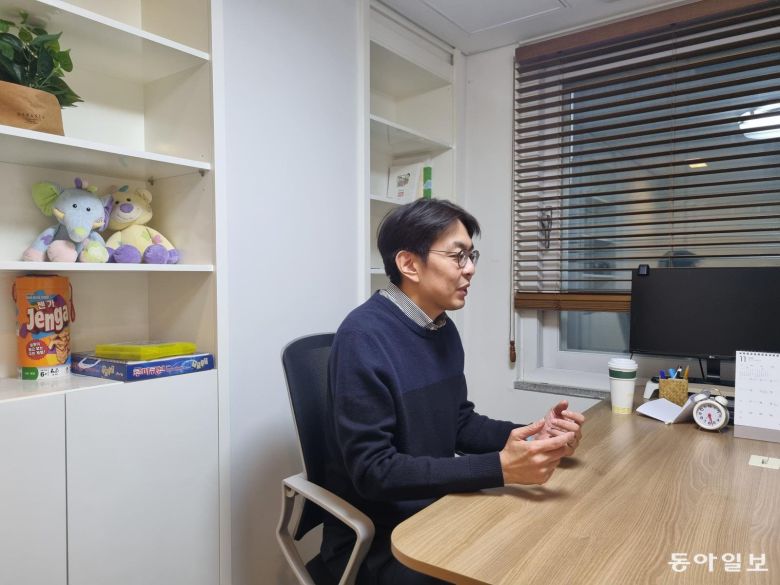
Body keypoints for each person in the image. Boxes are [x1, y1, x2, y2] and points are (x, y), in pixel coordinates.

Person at [322, 199, 585, 584]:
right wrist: (499, 468)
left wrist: (534, 436)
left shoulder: (440, 327)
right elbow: (375, 471)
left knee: (549, 544)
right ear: (409, 264)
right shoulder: (362, 338)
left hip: (437, 508)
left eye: (470, 255)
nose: (471, 268)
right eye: (457, 256)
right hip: (384, 538)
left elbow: (458, 422)